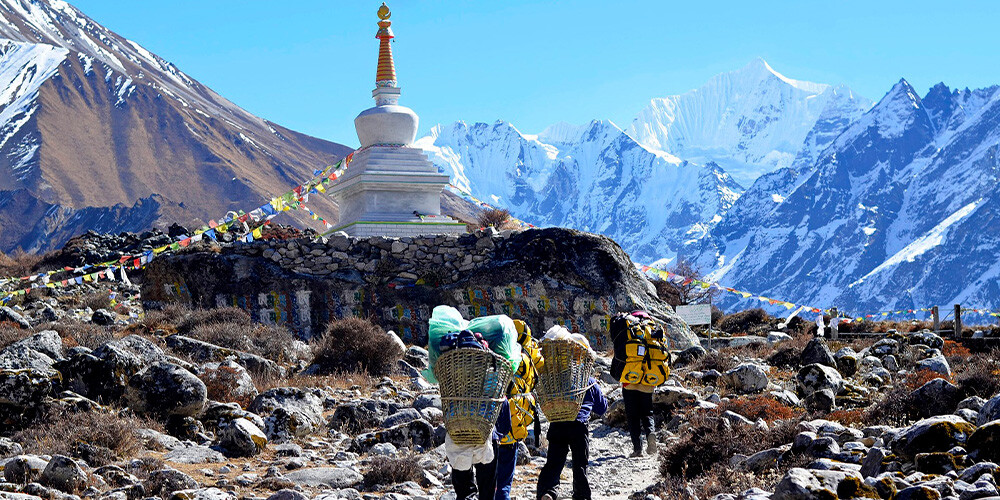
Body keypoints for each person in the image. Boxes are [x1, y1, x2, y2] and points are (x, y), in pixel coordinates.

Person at [536, 376, 608, 500]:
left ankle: (547, 491)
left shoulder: (555, 380)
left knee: (554, 462)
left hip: (557, 422)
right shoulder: (589, 382)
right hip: (579, 425)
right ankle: (581, 495)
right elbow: (602, 408)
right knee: (580, 463)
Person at [494, 320, 544, 500]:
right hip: (513, 423)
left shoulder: (495, 353)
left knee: (488, 475)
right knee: (505, 477)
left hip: (488, 424)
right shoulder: (526, 358)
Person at [610, 311, 660, 457]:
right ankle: (651, 434)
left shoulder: (630, 329)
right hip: (647, 381)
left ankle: (637, 449)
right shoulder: (651, 329)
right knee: (647, 413)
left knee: (633, 416)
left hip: (629, 380)